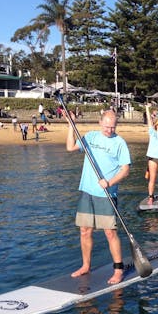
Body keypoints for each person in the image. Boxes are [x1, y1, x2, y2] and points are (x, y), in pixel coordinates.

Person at [66, 109, 131, 285]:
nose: (110, 130)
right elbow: (70, 147)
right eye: (107, 126)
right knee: (84, 230)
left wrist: (109, 183)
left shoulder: (119, 143)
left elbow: (125, 170)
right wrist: (71, 126)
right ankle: (86, 265)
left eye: (113, 127)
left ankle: (118, 269)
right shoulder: (91, 137)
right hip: (87, 191)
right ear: (100, 123)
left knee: (110, 232)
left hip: (106, 194)